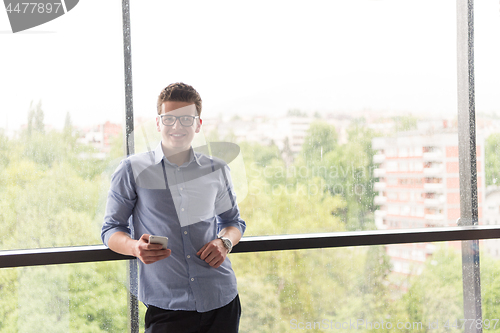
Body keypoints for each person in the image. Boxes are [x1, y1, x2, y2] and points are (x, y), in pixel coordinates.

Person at [101, 82, 246, 332]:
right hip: (166, 306)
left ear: (198, 124)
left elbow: (233, 222)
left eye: (186, 119)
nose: (177, 127)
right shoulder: (131, 170)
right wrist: (135, 247)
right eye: (169, 119)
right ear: (158, 123)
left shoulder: (217, 170)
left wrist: (225, 243)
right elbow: (111, 230)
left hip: (221, 299)